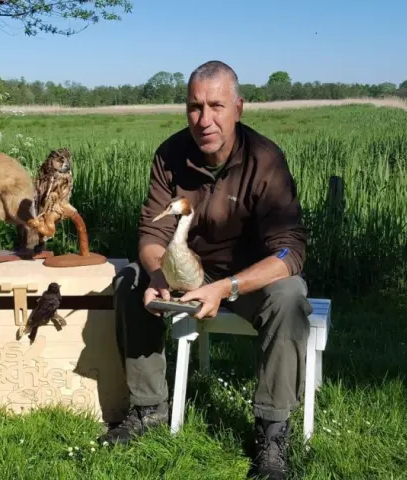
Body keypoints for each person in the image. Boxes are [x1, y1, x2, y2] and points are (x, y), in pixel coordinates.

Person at [98, 60, 312, 480]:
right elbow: (151, 233)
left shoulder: (266, 160)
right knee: (130, 280)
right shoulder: (170, 155)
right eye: (195, 107)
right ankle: (148, 409)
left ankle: (272, 432)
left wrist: (228, 287)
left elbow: (290, 252)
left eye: (216, 106)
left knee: (289, 297)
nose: (204, 119)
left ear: (239, 108)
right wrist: (157, 274)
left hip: (248, 277)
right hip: (188, 272)